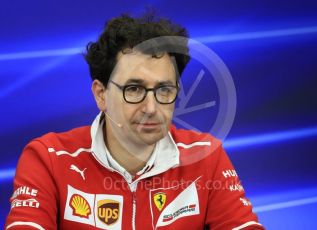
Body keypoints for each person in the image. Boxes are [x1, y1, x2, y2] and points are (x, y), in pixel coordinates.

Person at [5, 13, 264, 230]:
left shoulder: (206, 156)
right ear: (101, 94)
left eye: (164, 89)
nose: (151, 108)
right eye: (134, 89)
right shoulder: (48, 158)